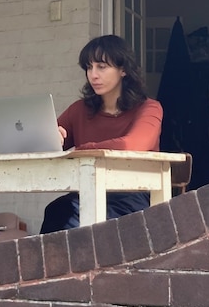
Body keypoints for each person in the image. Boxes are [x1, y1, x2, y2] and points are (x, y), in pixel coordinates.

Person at [40, 34, 163, 233]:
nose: (93, 75)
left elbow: (130, 145)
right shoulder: (79, 109)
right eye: (89, 67)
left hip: (132, 196)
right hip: (87, 193)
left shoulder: (149, 108)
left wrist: (81, 150)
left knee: (77, 221)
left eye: (102, 67)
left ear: (123, 70)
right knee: (56, 211)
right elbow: (46, 144)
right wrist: (52, 138)